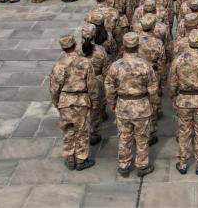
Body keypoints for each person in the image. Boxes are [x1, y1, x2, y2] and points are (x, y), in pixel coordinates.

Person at [104, 32, 159, 178]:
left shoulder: (116, 66)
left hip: (123, 106)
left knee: (124, 137)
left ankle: (124, 166)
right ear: (137, 46)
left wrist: (112, 102)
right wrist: (154, 103)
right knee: (142, 138)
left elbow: (109, 85)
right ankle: (141, 166)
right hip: (141, 106)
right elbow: (153, 88)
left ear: (124, 46)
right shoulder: (145, 65)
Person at [168, 30, 198, 175]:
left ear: (188, 42)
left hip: (183, 100)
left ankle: (183, 163)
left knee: (184, 131)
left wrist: (173, 98)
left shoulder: (178, 59)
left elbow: (172, 83)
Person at [49, 34, 97, 171]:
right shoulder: (85, 62)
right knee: (82, 131)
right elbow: (92, 85)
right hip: (81, 100)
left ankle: (70, 158)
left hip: (65, 101)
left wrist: (57, 102)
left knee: (68, 130)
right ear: (75, 45)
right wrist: (94, 101)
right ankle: (81, 159)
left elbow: (53, 88)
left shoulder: (58, 65)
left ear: (63, 48)